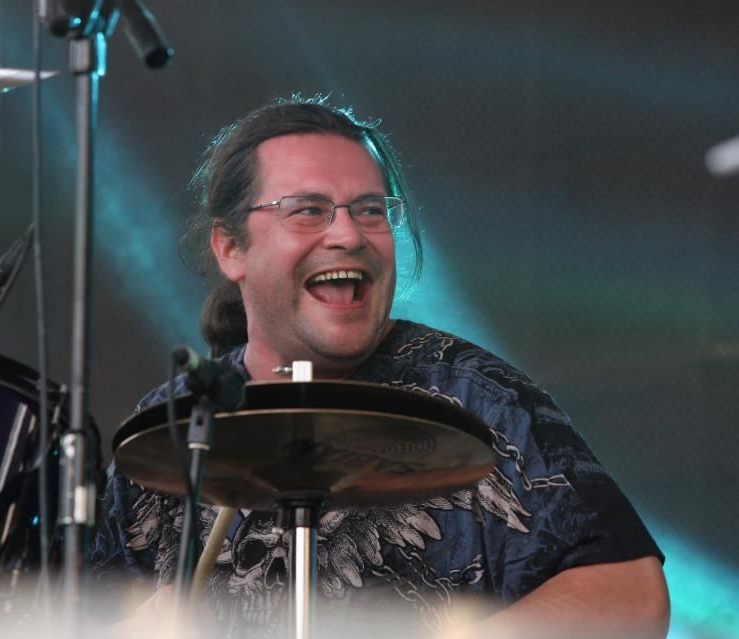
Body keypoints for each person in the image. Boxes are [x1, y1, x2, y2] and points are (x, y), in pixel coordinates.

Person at [90, 98, 670, 638]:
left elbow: (631, 596)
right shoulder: (174, 424)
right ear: (230, 248)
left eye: (370, 210)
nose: (348, 234)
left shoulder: (477, 399)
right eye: (308, 211)